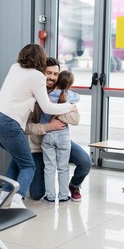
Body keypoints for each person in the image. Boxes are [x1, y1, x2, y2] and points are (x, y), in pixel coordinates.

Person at [0, 44, 75, 209]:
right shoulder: (37, 76)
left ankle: (4, 198)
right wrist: (69, 106)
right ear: (41, 59)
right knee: (28, 166)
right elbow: (48, 108)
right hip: (8, 123)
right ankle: (17, 202)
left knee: (18, 159)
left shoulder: (14, 67)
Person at [26, 57, 91, 202]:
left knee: (85, 162)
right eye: (48, 73)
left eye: (55, 74)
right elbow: (26, 127)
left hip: (60, 137)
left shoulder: (62, 92)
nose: (52, 77)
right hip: (38, 146)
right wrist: (49, 126)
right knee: (36, 194)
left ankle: (74, 185)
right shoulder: (32, 94)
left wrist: (53, 109)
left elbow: (76, 119)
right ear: (40, 73)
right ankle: (27, 171)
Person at [40, 71, 80, 203]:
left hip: (48, 135)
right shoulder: (70, 96)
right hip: (63, 136)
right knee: (63, 167)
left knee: (49, 168)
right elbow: (77, 98)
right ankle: (63, 196)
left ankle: (50, 197)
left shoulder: (47, 95)